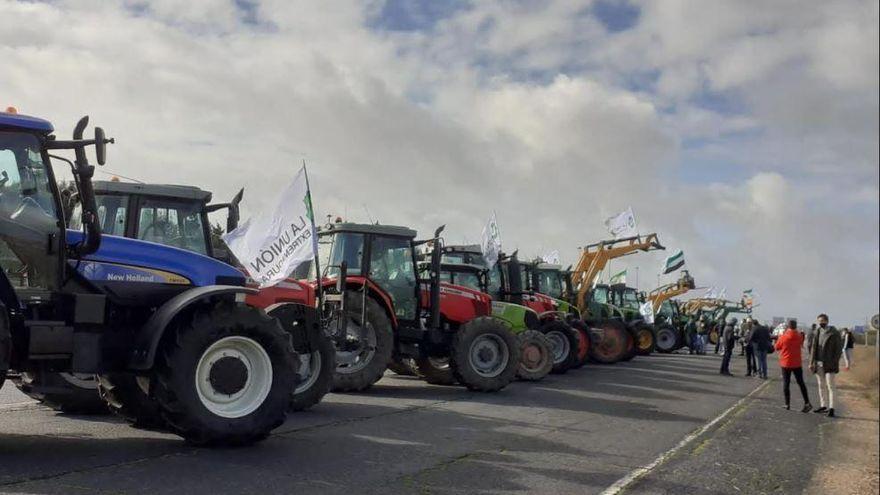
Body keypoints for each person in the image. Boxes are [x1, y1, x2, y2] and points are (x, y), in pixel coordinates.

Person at [809, 313, 843, 417]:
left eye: (822, 321)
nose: (821, 323)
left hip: (830, 364)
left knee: (830, 386)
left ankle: (831, 408)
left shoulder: (834, 333)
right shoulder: (818, 331)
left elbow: (838, 350)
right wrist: (811, 362)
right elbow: (813, 348)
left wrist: (834, 362)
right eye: (819, 321)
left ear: (827, 321)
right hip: (818, 363)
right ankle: (823, 406)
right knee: (821, 385)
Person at [775, 319, 812, 412]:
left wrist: (780, 337)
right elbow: (801, 342)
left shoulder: (783, 336)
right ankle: (807, 402)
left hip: (786, 362)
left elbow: (777, 347)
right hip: (797, 362)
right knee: (801, 383)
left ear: (788, 326)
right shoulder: (799, 336)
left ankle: (787, 404)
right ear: (796, 326)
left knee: (786, 383)